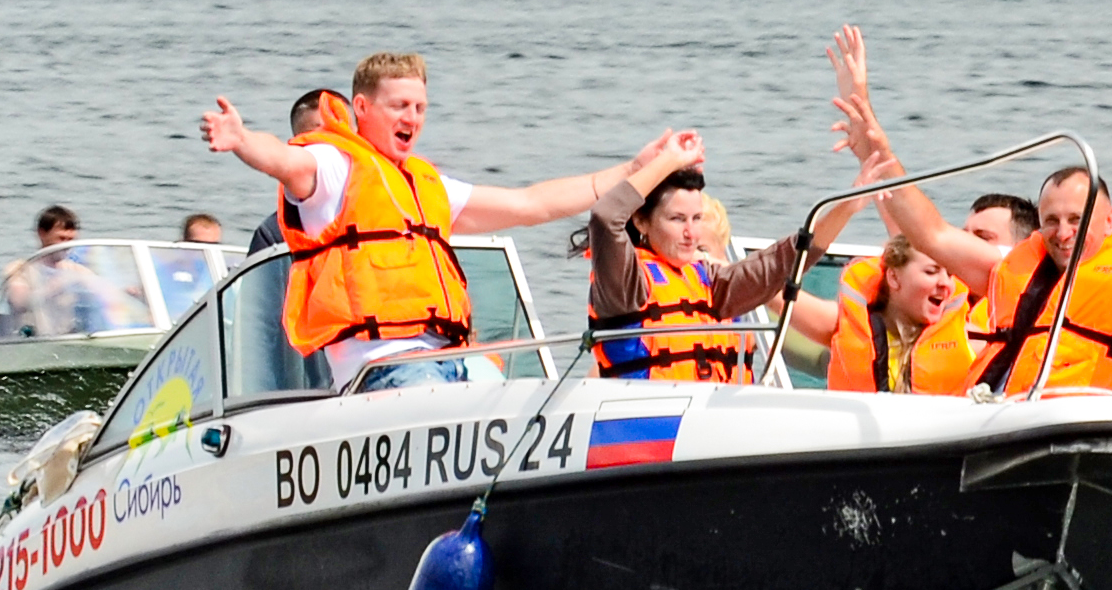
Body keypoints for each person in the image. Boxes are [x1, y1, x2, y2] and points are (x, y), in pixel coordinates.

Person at [203, 54, 667, 388]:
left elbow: (531, 204)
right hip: (385, 369)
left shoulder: (427, 186)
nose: (413, 118)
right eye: (399, 106)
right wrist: (242, 140)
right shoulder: (333, 166)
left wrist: (633, 170)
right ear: (362, 109)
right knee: (448, 396)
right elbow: (283, 161)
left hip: (452, 361)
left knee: (525, 400)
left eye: (420, 107)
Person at [825, 27, 1112, 396]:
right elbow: (930, 233)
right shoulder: (1010, 269)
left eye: (1077, 219)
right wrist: (875, 145)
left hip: (1081, 418)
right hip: (997, 419)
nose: (1063, 232)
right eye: (1051, 221)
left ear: (1109, 219)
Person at [587, 157, 841, 384]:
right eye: (677, 219)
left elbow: (782, 263)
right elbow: (605, 217)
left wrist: (848, 207)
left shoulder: (710, 281)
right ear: (642, 222)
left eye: (696, 219)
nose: (690, 233)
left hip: (708, 416)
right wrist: (668, 160)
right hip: (648, 419)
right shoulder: (626, 281)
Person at [791, 234, 979, 394]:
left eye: (950, 273)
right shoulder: (845, 324)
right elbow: (776, 291)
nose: (946, 283)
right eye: (931, 272)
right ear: (894, 278)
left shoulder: (972, 338)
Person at [0, 205, 149, 340]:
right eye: (61, 239)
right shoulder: (20, 269)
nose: (67, 245)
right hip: (31, 341)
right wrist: (55, 286)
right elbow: (20, 302)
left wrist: (129, 293)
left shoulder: (74, 269)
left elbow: (105, 291)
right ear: (42, 233)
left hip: (65, 340)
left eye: (71, 239)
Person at [239, 89, 353, 255]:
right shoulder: (273, 233)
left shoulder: (394, 203)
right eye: (319, 141)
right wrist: (241, 139)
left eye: (340, 134)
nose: (331, 150)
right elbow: (275, 157)